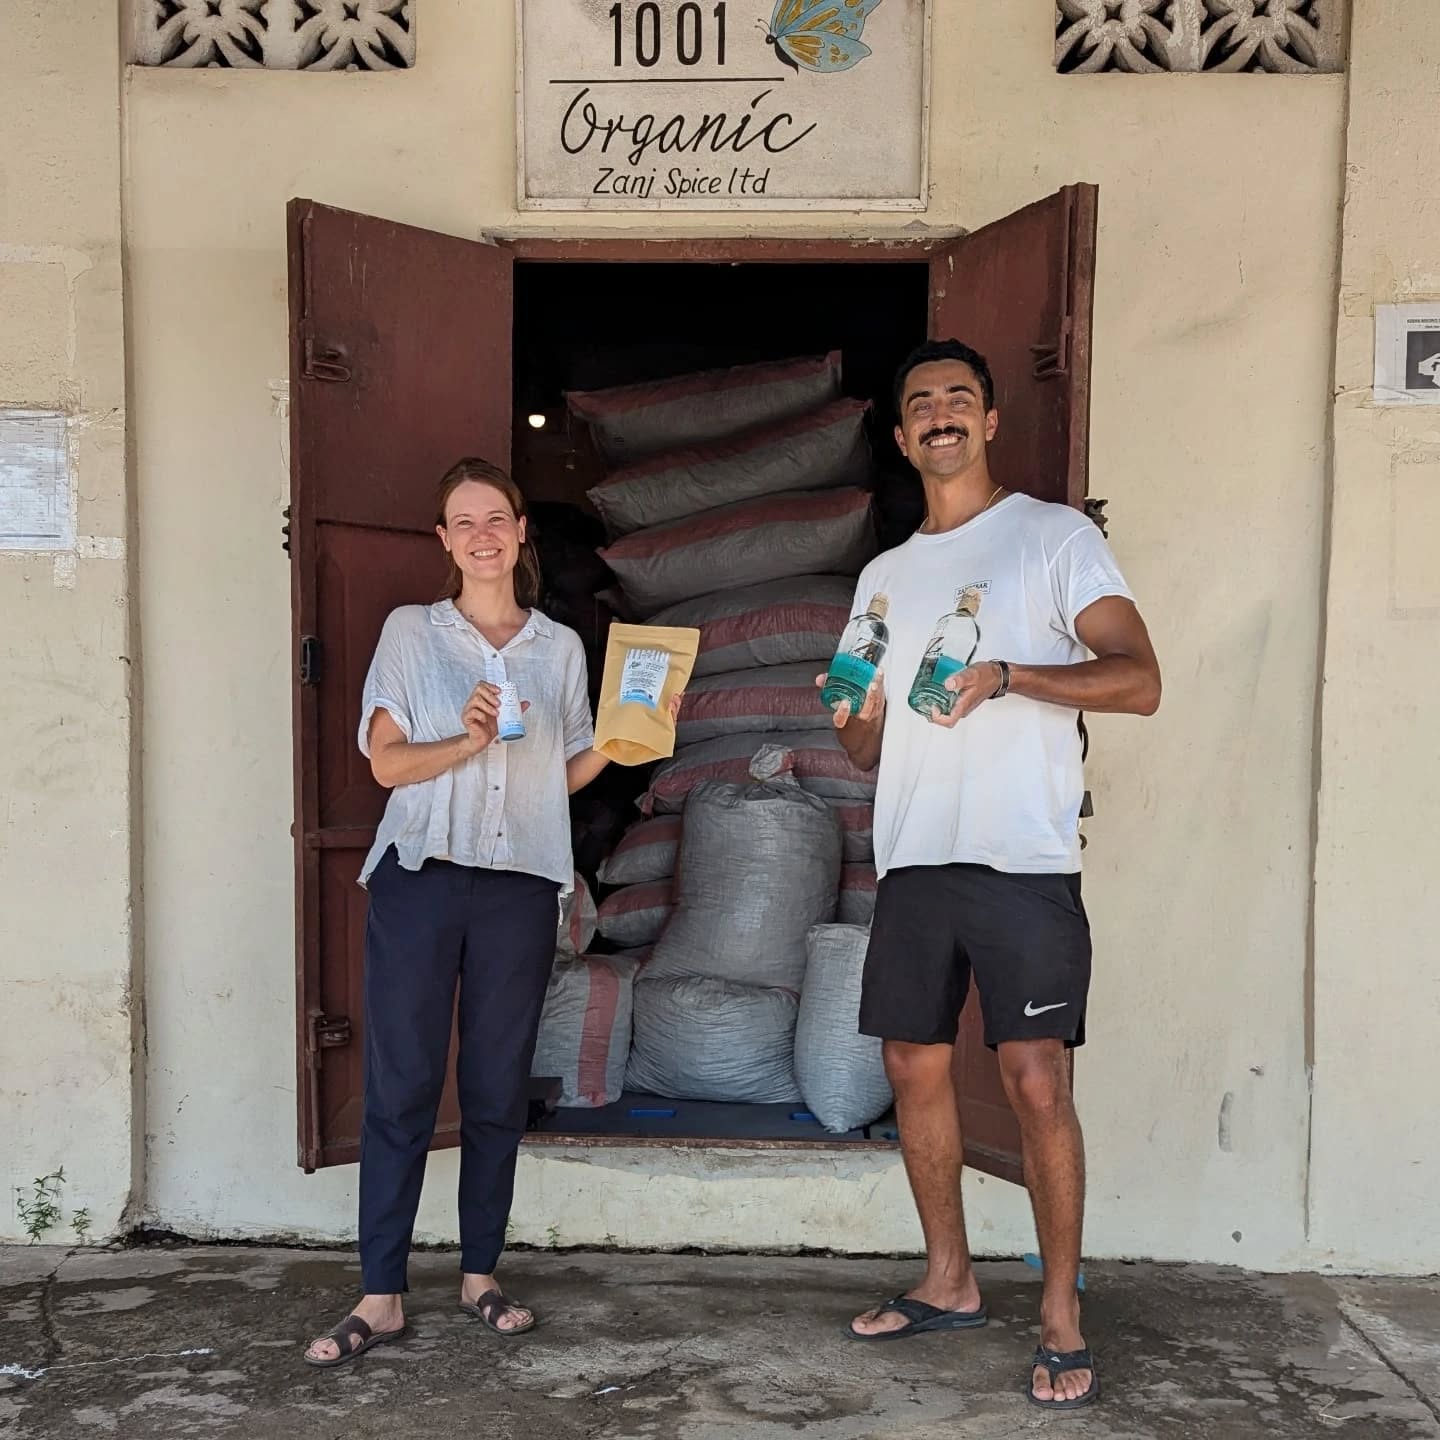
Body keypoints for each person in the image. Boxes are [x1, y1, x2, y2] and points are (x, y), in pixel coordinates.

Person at [827, 340, 1161, 1411]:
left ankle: (1060, 1312)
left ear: (990, 419)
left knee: (1034, 1079)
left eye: (958, 398)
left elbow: (1139, 679)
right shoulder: (883, 577)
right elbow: (864, 748)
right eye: (921, 403)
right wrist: (855, 716)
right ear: (900, 435)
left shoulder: (1054, 538)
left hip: (1022, 857)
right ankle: (950, 1281)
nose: (941, 415)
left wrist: (1008, 674)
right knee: (912, 1066)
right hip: (915, 854)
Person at [304, 457, 663, 1368]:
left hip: (519, 883)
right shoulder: (411, 633)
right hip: (421, 876)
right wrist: (463, 741)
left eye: (496, 517)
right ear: (443, 539)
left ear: (520, 530)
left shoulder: (559, 648)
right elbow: (386, 764)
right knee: (403, 1085)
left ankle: (480, 1276)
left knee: (498, 1085)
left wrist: (622, 742)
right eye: (463, 522)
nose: (482, 535)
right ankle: (381, 1293)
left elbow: (561, 772)